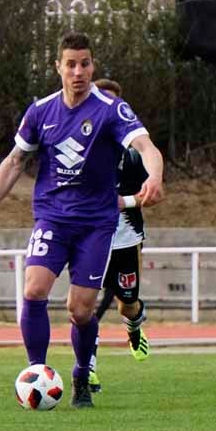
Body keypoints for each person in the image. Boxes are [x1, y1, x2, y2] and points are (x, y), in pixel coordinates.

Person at [0, 32, 164, 408]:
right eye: (70, 64)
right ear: (58, 67)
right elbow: (13, 161)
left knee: (80, 309)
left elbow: (146, 146)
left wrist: (153, 176)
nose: (78, 72)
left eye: (85, 64)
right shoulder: (41, 111)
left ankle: (81, 374)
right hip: (52, 219)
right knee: (34, 289)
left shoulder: (110, 109)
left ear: (93, 66)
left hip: (96, 224)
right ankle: (37, 373)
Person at [85, 78, 151, 394]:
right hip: (89, 235)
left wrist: (122, 202)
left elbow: (153, 193)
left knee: (127, 304)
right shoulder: (78, 147)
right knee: (86, 307)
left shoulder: (134, 153)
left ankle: (134, 325)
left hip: (125, 238)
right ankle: (87, 369)